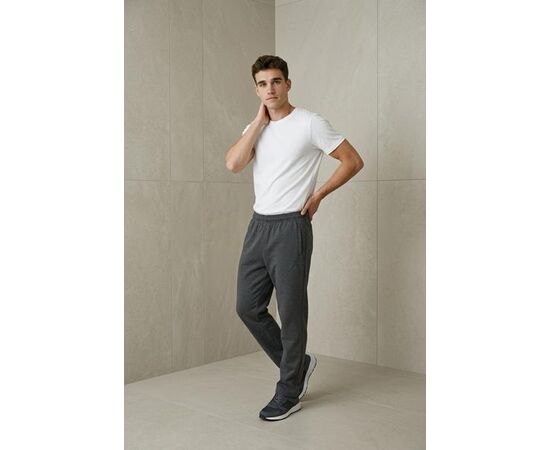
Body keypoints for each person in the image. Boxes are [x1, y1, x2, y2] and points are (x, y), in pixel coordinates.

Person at [225, 55, 364, 421]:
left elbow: (352, 160)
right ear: (256, 90)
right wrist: (258, 122)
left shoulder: (309, 123)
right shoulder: (255, 128)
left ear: (288, 84)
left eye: (276, 81)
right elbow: (233, 164)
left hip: (291, 226)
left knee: (291, 312)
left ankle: (289, 391)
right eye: (262, 84)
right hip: (259, 225)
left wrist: (318, 195)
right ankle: (298, 364)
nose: (270, 89)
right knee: (247, 306)